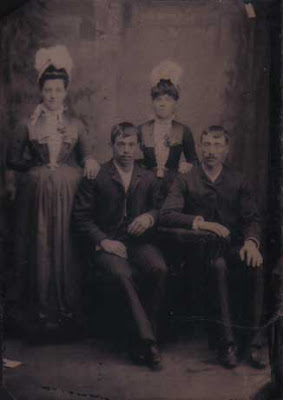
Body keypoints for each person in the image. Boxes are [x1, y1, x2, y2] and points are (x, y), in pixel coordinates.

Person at [7, 45, 100, 334]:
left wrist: (91, 161)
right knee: (39, 245)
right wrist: (32, 170)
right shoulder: (28, 123)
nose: (53, 96)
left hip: (68, 194)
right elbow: (12, 159)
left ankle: (67, 314)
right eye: (48, 90)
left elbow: (86, 154)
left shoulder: (75, 124)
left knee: (66, 245)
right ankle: (37, 314)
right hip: (35, 196)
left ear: (66, 92)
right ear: (41, 91)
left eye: (58, 90)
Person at [159, 125, 265, 369]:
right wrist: (202, 224)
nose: (211, 151)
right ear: (200, 147)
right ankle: (226, 343)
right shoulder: (187, 178)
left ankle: (256, 342)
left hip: (234, 245)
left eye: (217, 145)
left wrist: (251, 243)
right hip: (201, 250)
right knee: (217, 266)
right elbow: (167, 214)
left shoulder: (238, 179)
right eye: (206, 144)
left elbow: (252, 218)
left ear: (226, 149)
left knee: (255, 264)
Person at [73, 122, 167, 370]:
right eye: (120, 144)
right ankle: (148, 343)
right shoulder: (97, 175)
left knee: (158, 268)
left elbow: (159, 208)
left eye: (131, 145)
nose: (126, 150)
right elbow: (81, 218)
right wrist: (104, 241)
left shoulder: (147, 175)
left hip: (138, 243)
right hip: (107, 244)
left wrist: (149, 217)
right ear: (112, 145)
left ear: (137, 147)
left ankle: (143, 337)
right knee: (122, 274)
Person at [138, 60, 198, 202]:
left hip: (173, 185)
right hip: (146, 186)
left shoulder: (183, 130)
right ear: (152, 102)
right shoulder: (142, 129)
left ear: (175, 103)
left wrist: (187, 165)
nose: (163, 104)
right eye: (158, 99)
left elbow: (194, 161)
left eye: (168, 99)